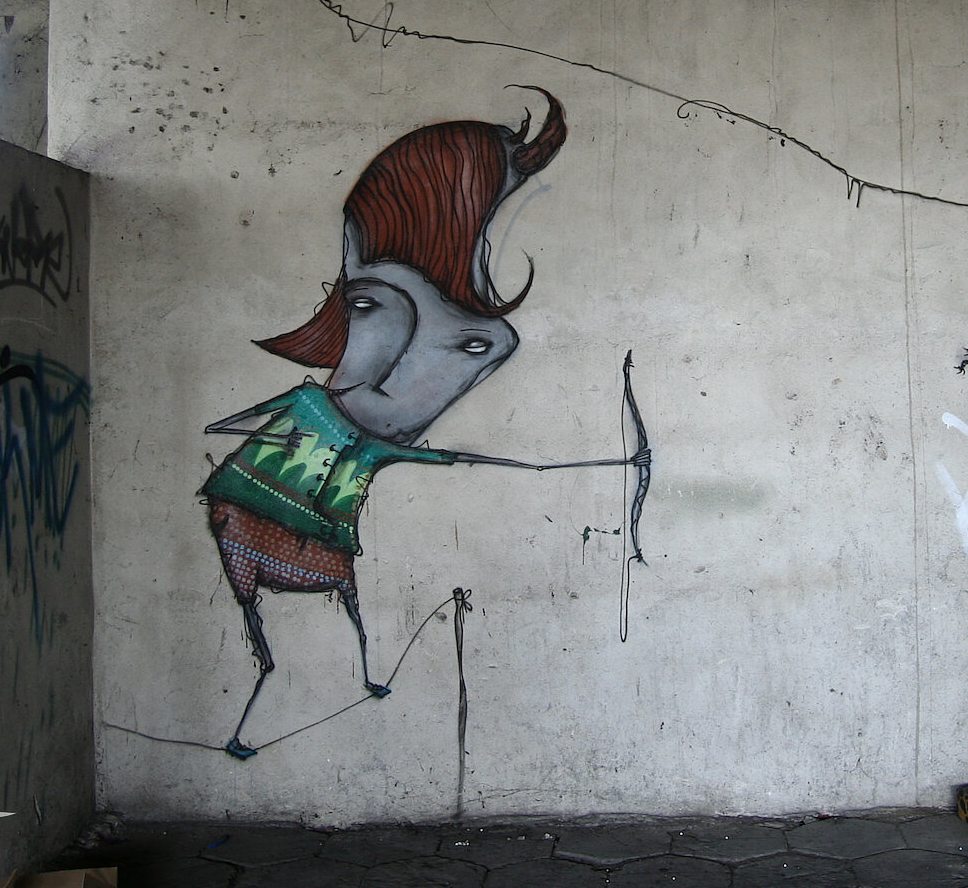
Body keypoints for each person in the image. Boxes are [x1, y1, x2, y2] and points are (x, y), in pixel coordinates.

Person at [201, 88, 643, 758]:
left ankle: (329, 685)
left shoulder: (361, 443)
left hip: (316, 532)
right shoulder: (313, 415)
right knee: (284, 620)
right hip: (251, 514)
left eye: (468, 341)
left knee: (340, 608)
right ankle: (270, 698)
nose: (390, 372)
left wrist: (586, 463)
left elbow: (460, 457)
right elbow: (246, 423)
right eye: (367, 304)